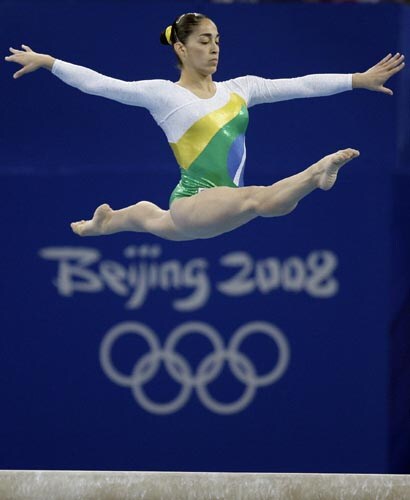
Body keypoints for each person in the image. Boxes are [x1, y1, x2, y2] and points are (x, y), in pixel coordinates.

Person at [5, 13, 405, 241]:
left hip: (213, 213)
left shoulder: (240, 89)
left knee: (151, 217)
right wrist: (50, 62)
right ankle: (315, 173)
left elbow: (301, 85)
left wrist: (358, 79)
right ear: (181, 48)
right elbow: (102, 85)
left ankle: (108, 222)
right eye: (203, 41)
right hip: (194, 200)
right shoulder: (164, 94)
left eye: (217, 40)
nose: (214, 48)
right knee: (263, 201)